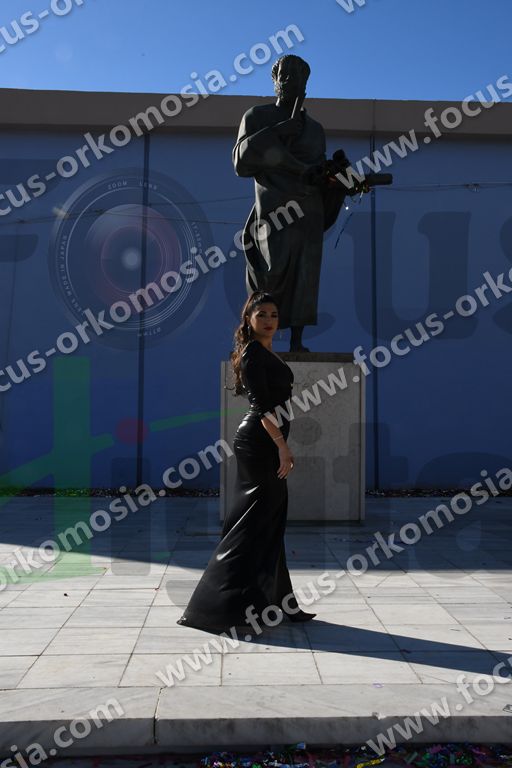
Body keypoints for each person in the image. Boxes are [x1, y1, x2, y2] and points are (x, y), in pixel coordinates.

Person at [176, 291, 316, 634]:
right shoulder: (252, 353)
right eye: (261, 314)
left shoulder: (266, 352)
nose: (269, 320)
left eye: (273, 314)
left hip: (266, 442)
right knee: (252, 522)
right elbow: (263, 407)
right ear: (249, 320)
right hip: (259, 443)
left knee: (270, 520)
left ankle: (280, 602)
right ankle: (211, 608)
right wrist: (282, 446)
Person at [232, 54, 348, 352]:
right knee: (270, 272)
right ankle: (258, 338)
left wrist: (338, 180)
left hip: (308, 210)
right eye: (283, 76)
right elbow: (241, 161)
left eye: (296, 77)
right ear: (274, 81)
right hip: (274, 211)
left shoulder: (315, 129)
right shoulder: (256, 117)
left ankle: (298, 340)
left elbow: (319, 171)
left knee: (305, 274)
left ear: (305, 83)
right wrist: (277, 131)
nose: (289, 82)